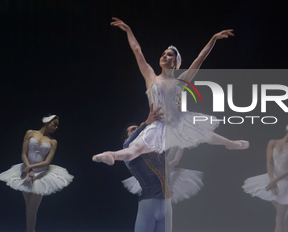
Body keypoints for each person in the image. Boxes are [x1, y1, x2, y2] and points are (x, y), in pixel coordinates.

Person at [92, 17, 248, 165]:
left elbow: (200, 58)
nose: (165, 56)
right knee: (137, 148)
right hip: (158, 124)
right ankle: (111, 155)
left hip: (177, 121)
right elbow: (137, 50)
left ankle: (230, 143)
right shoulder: (151, 76)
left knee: (204, 134)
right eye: (163, 54)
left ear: (176, 62)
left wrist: (213, 38)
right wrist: (128, 30)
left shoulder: (181, 81)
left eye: (169, 54)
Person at [120, 105, 176, 232]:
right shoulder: (131, 154)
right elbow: (128, 142)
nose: (136, 131)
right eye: (131, 129)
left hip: (165, 206)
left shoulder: (158, 151)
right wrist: (146, 122)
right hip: (148, 205)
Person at [0, 115, 73, 232]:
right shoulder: (30, 133)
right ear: (46, 122)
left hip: (42, 173)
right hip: (25, 171)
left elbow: (47, 161)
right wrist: (28, 169)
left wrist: (31, 168)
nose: (55, 127)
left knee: (33, 208)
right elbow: (24, 154)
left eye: (57, 125)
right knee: (28, 207)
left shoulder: (53, 141)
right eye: (53, 124)